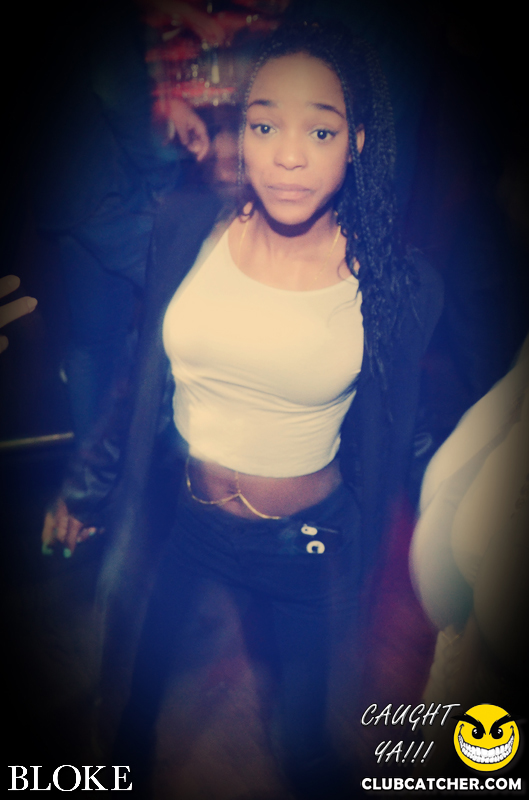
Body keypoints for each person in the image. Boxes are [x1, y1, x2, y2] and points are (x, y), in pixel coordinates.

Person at [42, 22, 442, 798]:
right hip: (184, 523)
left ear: (356, 142)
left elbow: (411, 427)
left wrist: (467, 513)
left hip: (307, 547)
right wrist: (87, 491)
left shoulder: (396, 283)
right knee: (129, 710)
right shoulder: (186, 226)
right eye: (264, 125)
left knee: (306, 747)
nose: (287, 155)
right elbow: (138, 375)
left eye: (319, 130)